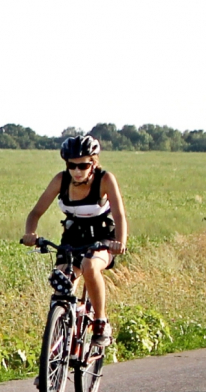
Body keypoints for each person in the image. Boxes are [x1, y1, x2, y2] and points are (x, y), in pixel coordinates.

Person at [21, 135, 128, 351]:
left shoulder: (105, 180)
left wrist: (120, 241)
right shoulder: (61, 180)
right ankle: (53, 357)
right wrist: (30, 233)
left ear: (93, 163)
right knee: (62, 285)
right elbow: (35, 212)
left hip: (102, 238)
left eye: (83, 165)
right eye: (72, 165)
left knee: (90, 266)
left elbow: (119, 215)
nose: (77, 171)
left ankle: (100, 322)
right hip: (72, 238)